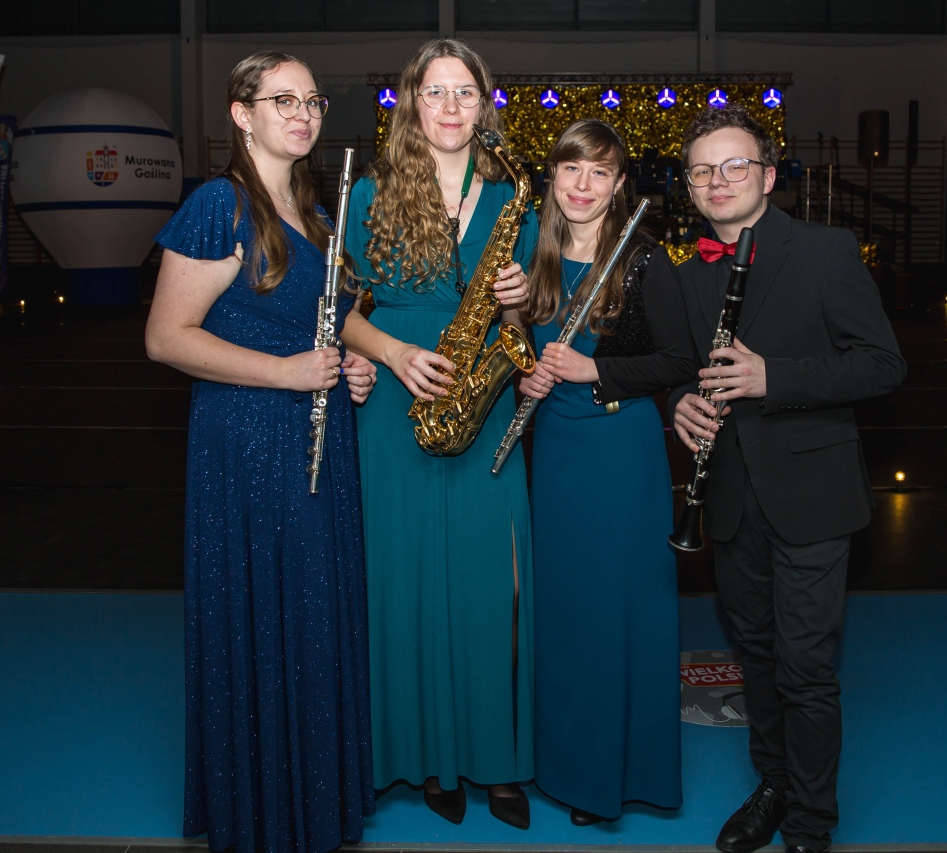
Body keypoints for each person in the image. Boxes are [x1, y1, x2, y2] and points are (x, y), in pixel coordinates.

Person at [145, 51, 377, 853]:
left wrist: (349, 363)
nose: (303, 114)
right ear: (242, 114)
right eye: (283, 100)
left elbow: (317, 327)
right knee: (270, 610)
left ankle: (313, 798)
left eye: (312, 100)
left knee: (313, 613)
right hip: (249, 441)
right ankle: (264, 808)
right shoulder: (220, 204)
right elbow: (166, 337)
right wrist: (286, 372)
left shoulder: (311, 212)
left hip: (318, 437)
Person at [668, 105, 906, 853]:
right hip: (730, 497)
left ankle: (810, 820)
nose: (718, 180)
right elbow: (679, 366)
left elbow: (883, 365)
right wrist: (678, 401)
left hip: (812, 494)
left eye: (735, 165)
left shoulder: (827, 251)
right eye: (702, 171)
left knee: (804, 666)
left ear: (768, 176)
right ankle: (772, 783)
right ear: (689, 186)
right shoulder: (688, 272)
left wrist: (775, 378)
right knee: (759, 656)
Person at [338, 38, 536, 830]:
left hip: (480, 395)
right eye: (435, 91)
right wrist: (389, 354)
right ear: (410, 102)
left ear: (484, 103)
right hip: (394, 400)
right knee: (407, 581)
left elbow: (521, 320)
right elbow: (340, 311)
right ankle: (429, 756)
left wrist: (516, 298)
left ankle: (497, 756)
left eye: (465, 92)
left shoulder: (512, 195)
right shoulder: (369, 193)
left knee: (493, 584)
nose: (451, 107)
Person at [516, 119, 696, 826]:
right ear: (553, 176)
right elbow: (516, 341)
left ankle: (616, 777)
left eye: (600, 172)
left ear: (620, 184)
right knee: (565, 613)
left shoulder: (643, 258)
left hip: (621, 451)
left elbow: (680, 360)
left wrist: (596, 371)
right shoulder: (533, 254)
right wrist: (524, 374)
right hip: (556, 451)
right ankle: (565, 765)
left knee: (617, 613)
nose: (584, 185)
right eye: (572, 169)